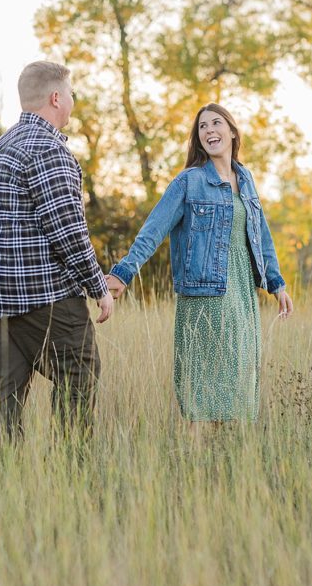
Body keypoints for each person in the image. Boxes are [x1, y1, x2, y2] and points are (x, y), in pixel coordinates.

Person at [106, 103, 293, 430]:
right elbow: (153, 230)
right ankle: (194, 467)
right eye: (202, 127)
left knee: (237, 390)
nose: (209, 131)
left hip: (242, 298)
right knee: (204, 393)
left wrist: (277, 284)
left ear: (232, 132)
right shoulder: (188, 182)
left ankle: (224, 469)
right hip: (206, 299)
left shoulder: (245, 179)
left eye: (216, 123)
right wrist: (124, 272)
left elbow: (261, 235)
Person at [0, 61, 114, 440]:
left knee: (3, 395)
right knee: (79, 373)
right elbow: (66, 231)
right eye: (71, 94)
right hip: (43, 298)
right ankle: (70, 470)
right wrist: (98, 286)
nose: (73, 100)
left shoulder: (1, 146)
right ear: (55, 97)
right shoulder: (48, 149)